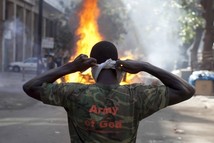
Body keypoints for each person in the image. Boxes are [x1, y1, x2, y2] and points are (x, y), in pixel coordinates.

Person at [23, 41, 195, 143]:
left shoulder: (74, 93)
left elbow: (30, 87)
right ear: (121, 69)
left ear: (92, 69)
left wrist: (71, 67)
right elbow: (186, 90)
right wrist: (145, 66)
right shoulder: (137, 96)